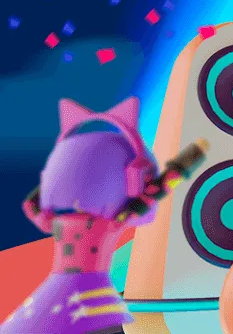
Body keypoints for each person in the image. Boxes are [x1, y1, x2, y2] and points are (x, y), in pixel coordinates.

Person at [1, 97, 208, 334]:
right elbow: (155, 192)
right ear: (133, 180)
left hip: (56, 294)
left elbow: (31, 205)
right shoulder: (110, 223)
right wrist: (189, 159)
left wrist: (56, 179)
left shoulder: (56, 222)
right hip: (91, 297)